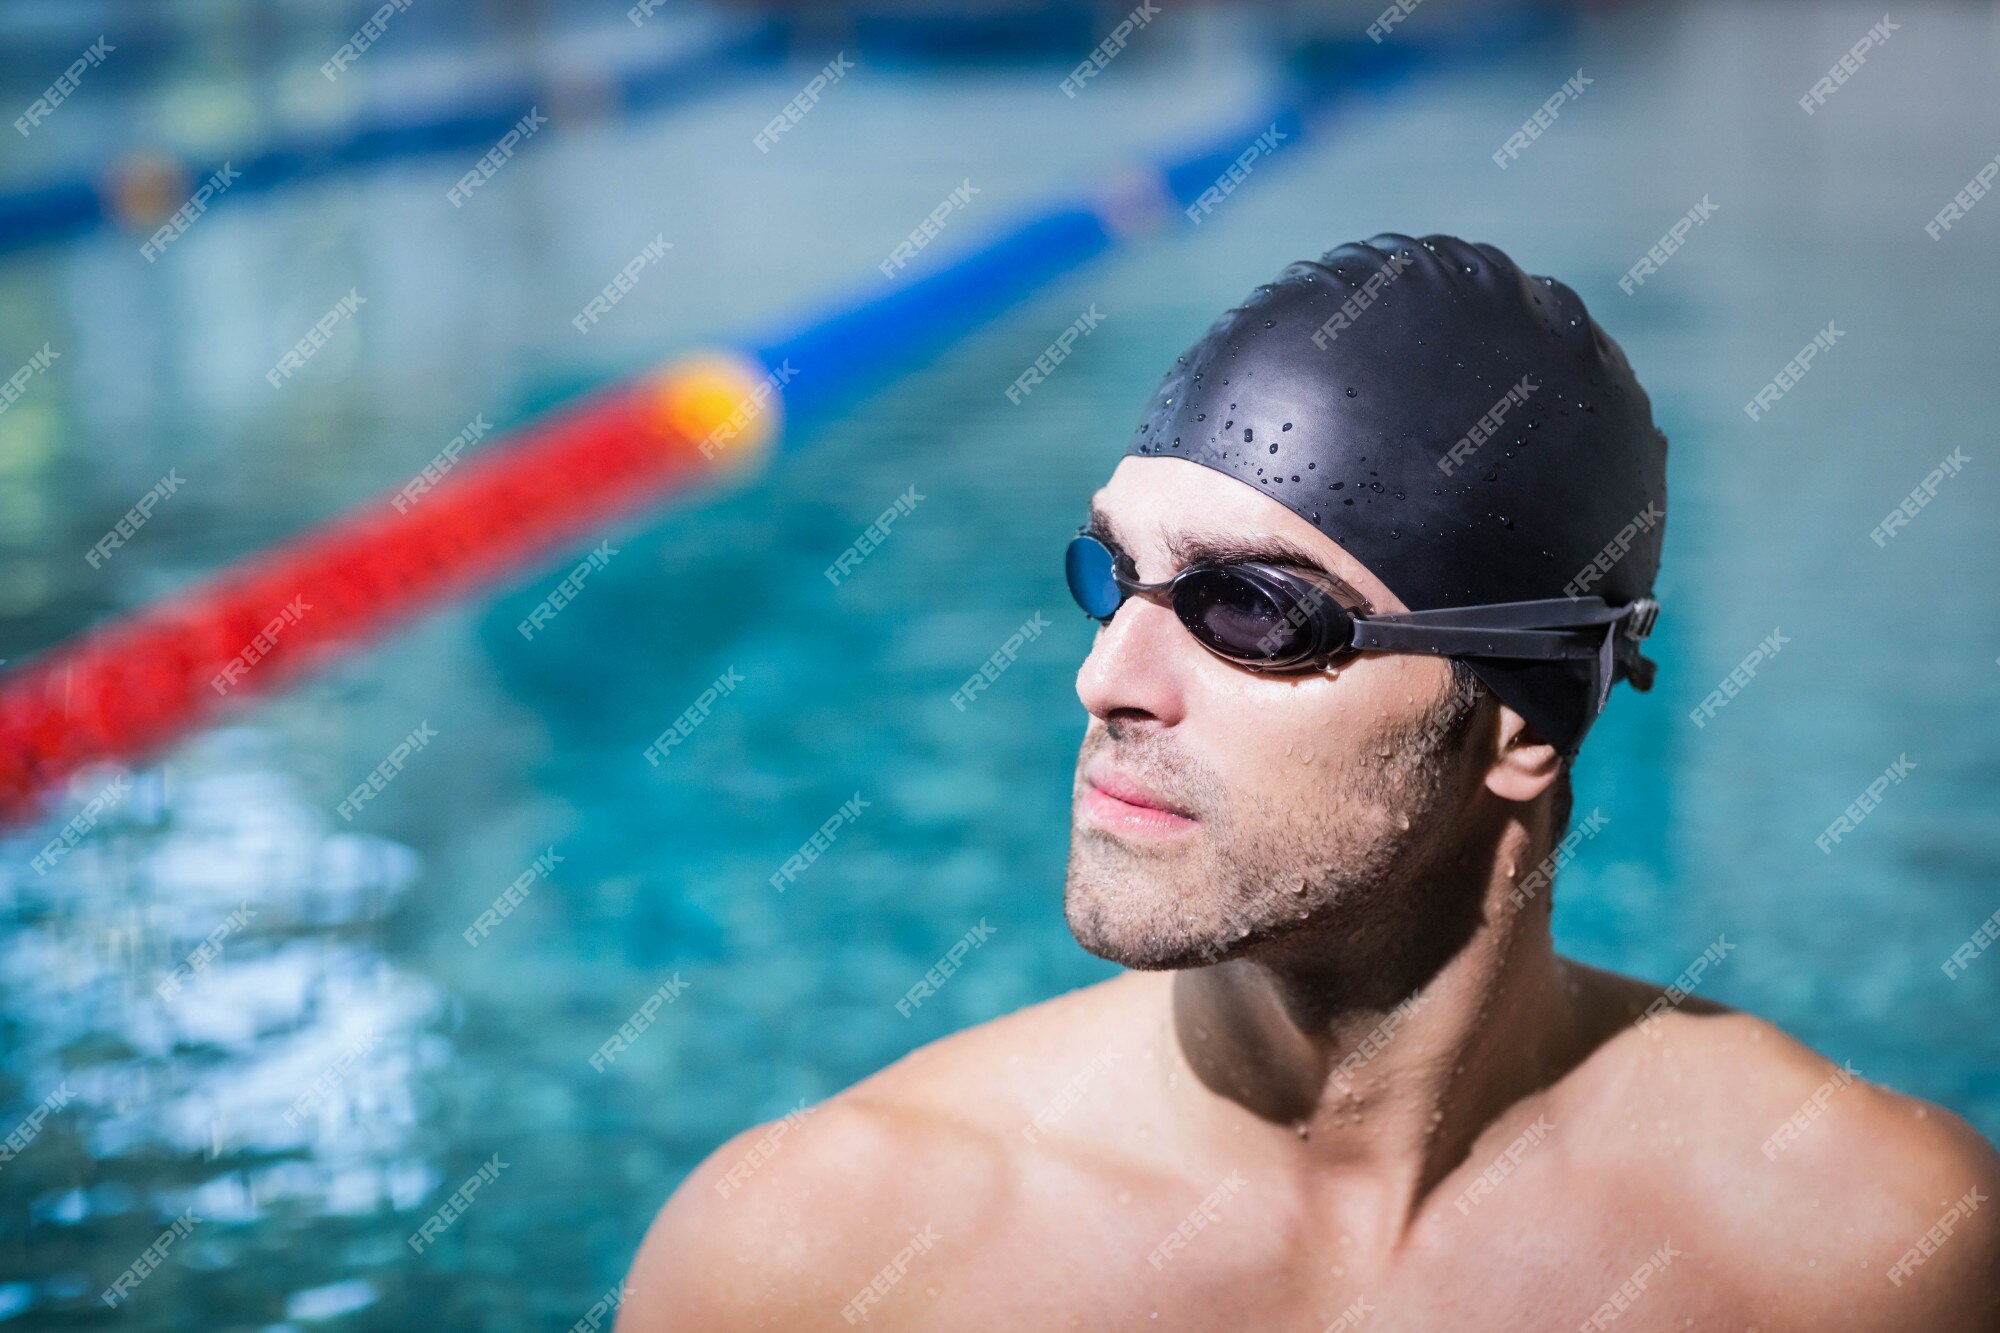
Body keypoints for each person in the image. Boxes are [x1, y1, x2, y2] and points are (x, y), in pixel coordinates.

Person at [619, 235, 2000, 1331]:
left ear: (1523, 721)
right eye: (1116, 574)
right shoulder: (811, 1264)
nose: (1107, 677)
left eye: (1257, 611)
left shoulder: (1867, 1252)